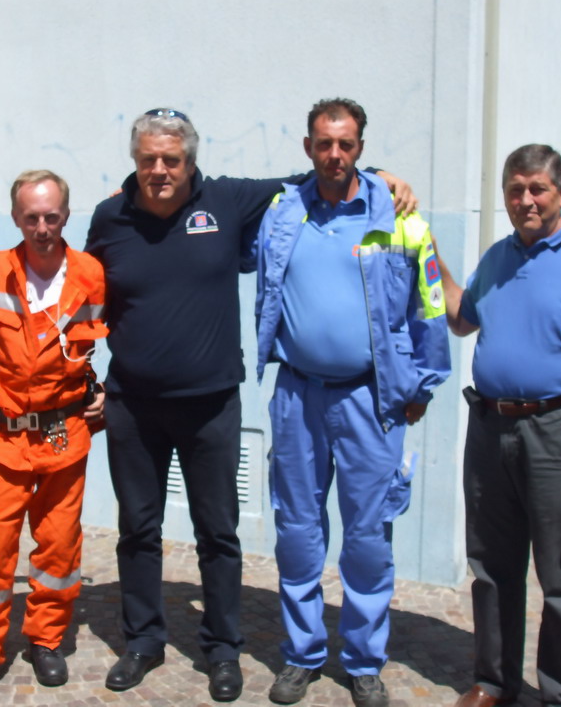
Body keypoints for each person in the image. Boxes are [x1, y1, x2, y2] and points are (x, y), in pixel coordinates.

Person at [84, 107, 418, 703]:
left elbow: (318, 173)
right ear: (134, 161)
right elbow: (86, 302)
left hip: (211, 402)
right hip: (132, 403)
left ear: (190, 162)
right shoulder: (109, 217)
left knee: (219, 532)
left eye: (171, 160)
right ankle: (143, 641)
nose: (159, 170)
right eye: (148, 159)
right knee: (137, 529)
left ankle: (221, 650)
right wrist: (86, 385)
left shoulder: (229, 200)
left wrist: (382, 176)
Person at [249, 98, 450, 707]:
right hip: (297, 398)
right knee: (297, 531)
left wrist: (423, 383)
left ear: (361, 147)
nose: (334, 154)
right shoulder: (282, 212)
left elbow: (430, 305)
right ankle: (302, 655)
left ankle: (364, 661)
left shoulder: (401, 217)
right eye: (323, 143)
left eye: (346, 144)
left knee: (367, 537)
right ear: (307, 147)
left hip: (373, 401)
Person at [434, 144, 561, 707]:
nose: (525, 200)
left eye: (537, 189)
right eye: (515, 190)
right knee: (492, 569)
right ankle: (494, 682)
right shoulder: (497, 258)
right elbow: (461, 319)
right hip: (490, 429)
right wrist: (430, 258)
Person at [0, 170, 107, 705]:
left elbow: (114, 341)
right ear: (16, 218)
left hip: (64, 434)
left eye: (51, 216)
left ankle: (46, 639)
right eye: (31, 217)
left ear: (66, 216)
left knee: (59, 546)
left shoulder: (90, 275)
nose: (42, 227)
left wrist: (107, 390)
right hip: (4, 436)